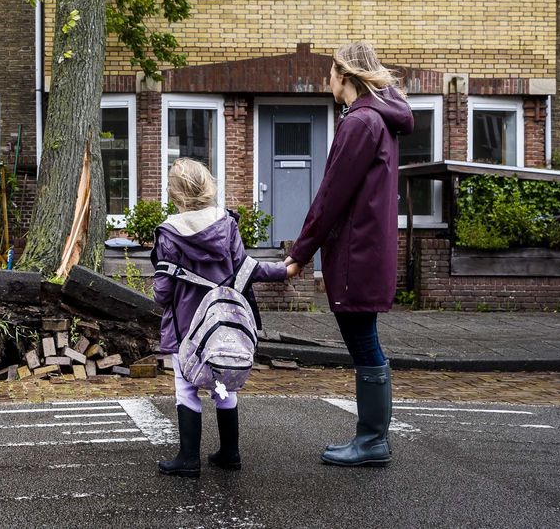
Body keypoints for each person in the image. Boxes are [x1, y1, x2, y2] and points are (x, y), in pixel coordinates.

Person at [283, 40, 414, 467]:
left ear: (344, 76)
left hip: (356, 253)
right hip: (369, 250)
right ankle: (371, 439)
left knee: (364, 344)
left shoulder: (361, 123)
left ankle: (372, 441)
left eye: (331, 73)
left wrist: (300, 252)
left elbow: (331, 196)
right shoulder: (379, 120)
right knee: (366, 342)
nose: (328, 82)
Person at [152, 157, 290, 477]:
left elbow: (162, 292)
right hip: (223, 327)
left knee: (186, 387)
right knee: (222, 385)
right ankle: (230, 451)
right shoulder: (227, 225)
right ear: (208, 187)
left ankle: (188, 458)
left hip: (186, 328)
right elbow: (245, 268)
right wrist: (283, 270)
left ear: (174, 194)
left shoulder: (169, 234)